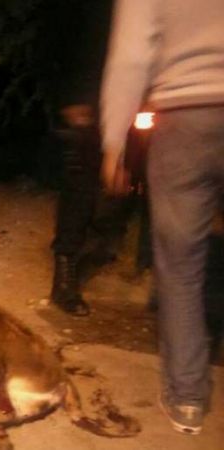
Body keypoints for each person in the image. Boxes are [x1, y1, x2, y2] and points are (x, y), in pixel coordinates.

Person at [101, 0, 224, 434]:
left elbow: (132, 56)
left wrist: (114, 142)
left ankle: (188, 397)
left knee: (180, 267)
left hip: (185, 120)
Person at [42, 0, 127, 316]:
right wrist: (69, 98)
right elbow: (52, 41)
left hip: (134, 94)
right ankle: (64, 276)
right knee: (81, 185)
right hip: (87, 98)